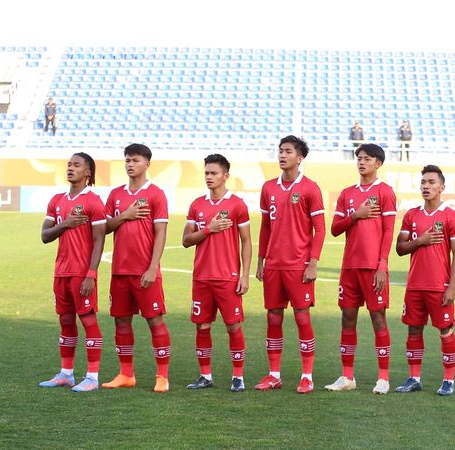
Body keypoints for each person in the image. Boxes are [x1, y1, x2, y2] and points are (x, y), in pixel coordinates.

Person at [255, 135, 325, 394]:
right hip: (274, 265)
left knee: (301, 317)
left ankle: (307, 376)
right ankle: (274, 374)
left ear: (300, 157)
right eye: (280, 151)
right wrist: (261, 260)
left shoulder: (310, 188)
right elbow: (265, 227)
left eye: (287, 151)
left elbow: (320, 229)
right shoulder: (268, 188)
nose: (282, 155)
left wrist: (313, 263)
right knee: (273, 318)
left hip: (298, 266)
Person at [326, 143, 397, 394]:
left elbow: (389, 230)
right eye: (359, 158)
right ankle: (347, 377)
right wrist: (355, 215)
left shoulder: (385, 192)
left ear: (378, 163)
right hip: (350, 267)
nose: (361, 162)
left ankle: (383, 378)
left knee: (378, 318)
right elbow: (335, 229)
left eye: (367, 158)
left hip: (373, 267)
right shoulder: (347, 194)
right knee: (347, 319)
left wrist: (382, 264)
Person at [101, 143, 172, 392]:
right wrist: (125, 215)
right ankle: (126, 374)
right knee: (121, 321)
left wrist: (153, 267)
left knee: (155, 320)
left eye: (135, 160)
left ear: (147, 164)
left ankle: (162, 376)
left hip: (145, 270)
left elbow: (161, 232)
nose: (130, 164)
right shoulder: (115, 195)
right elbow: (105, 227)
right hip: (120, 270)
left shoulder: (156, 194)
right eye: (127, 160)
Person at [183, 154, 252, 392]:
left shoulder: (237, 205)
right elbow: (186, 240)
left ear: (225, 176)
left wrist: (244, 275)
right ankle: (205, 375)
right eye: (206, 173)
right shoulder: (196, 205)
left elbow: (246, 242)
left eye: (213, 173)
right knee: (202, 327)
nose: (209, 177)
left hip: (227, 278)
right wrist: (208, 230)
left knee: (233, 326)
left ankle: (238, 377)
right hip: (201, 278)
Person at [38, 153, 106, 392]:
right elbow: (45, 236)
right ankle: (66, 373)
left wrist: (91, 274)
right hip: (61, 272)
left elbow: (99, 241)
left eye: (76, 165)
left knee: (88, 320)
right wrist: (64, 223)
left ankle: (92, 377)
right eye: (68, 164)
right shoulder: (56, 200)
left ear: (87, 172)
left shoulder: (94, 202)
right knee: (65, 320)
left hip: (81, 273)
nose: (70, 168)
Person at [394, 165, 455, 396]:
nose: (426, 186)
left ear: (442, 187)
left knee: (445, 330)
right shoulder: (411, 215)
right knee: (413, 331)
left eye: (432, 182)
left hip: (438, 286)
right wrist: (421, 241)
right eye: (423, 182)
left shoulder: (451, 216)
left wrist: (451, 287)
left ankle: (449, 380)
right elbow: (400, 248)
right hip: (415, 285)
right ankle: (414, 378)